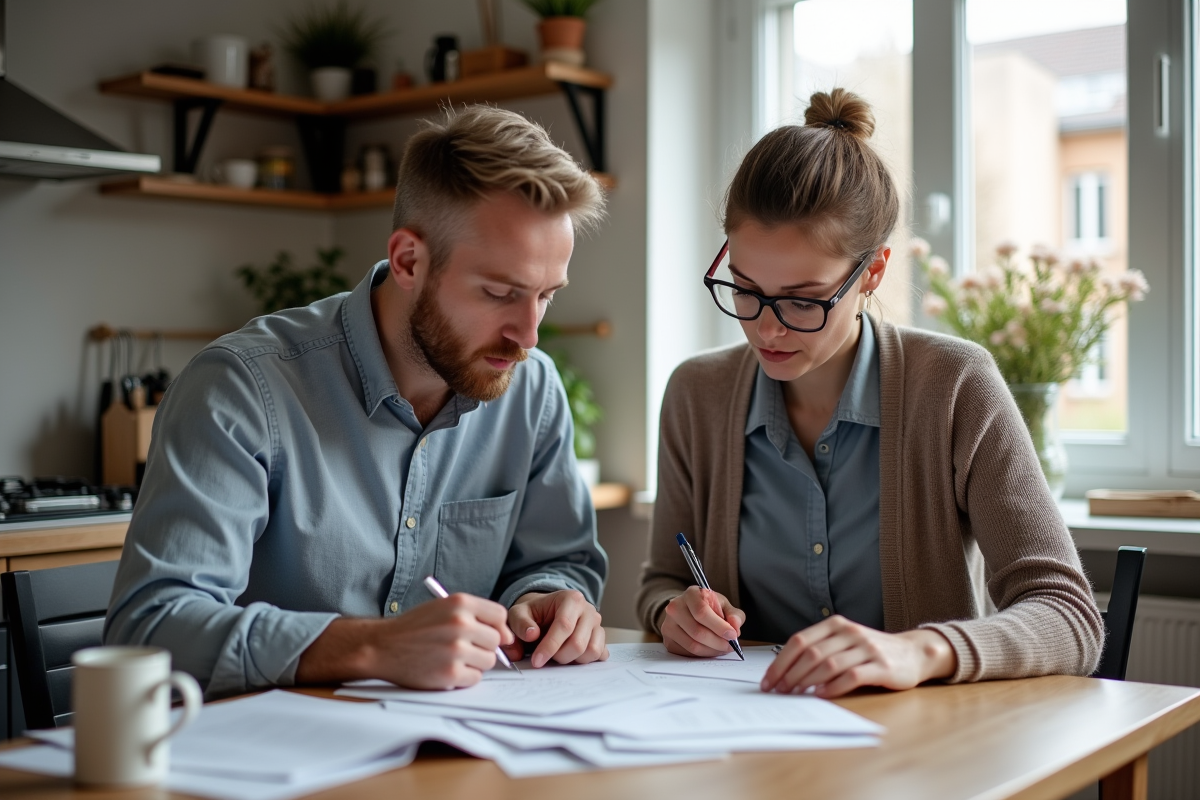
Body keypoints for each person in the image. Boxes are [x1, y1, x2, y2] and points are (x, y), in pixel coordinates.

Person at [105, 106, 611, 698]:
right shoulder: (240, 389)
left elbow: (560, 563)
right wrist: (372, 646)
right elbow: (151, 628)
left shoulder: (532, 390)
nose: (528, 334)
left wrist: (546, 600)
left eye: (547, 295)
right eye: (501, 293)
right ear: (408, 261)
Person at [636, 89, 1103, 699]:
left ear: (873, 272)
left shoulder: (956, 385)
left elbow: (1070, 616)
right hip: (750, 744)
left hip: (920, 752)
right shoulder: (696, 394)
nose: (767, 327)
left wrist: (921, 650)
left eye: (804, 300)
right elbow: (662, 580)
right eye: (745, 290)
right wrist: (674, 611)